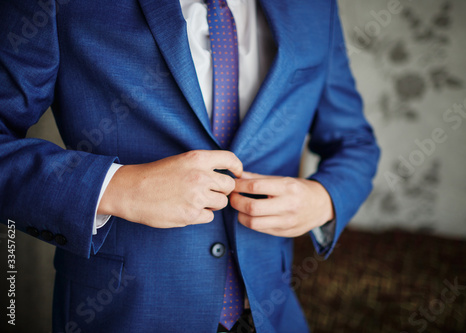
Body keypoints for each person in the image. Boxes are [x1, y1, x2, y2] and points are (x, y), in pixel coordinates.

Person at [0, 0, 380, 332]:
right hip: (122, 313)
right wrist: (120, 188)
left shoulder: (316, 6)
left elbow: (355, 144)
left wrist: (323, 199)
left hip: (272, 315)